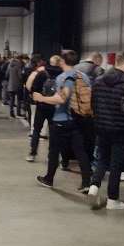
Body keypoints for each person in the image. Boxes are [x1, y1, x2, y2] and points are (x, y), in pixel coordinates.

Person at [33, 49, 92, 192]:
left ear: (63, 61)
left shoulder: (62, 77)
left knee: (54, 150)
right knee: (80, 151)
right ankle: (86, 182)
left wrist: (42, 98)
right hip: (79, 119)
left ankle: (49, 179)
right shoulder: (84, 77)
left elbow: (61, 99)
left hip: (61, 119)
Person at [87, 51, 124, 210]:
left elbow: (93, 103)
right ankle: (112, 199)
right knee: (116, 165)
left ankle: (94, 186)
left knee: (102, 158)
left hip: (101, 126)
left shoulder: (98, 80)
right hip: (121, 129)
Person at [26, 55, 62, 163]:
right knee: (53, 132)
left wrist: (37, 97)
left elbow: (32, 88)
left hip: (41, 106)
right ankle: (51, 155)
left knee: (36, 130)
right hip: (55, 107)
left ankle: (32, 153)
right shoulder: (62, 74)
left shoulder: (42, 73)